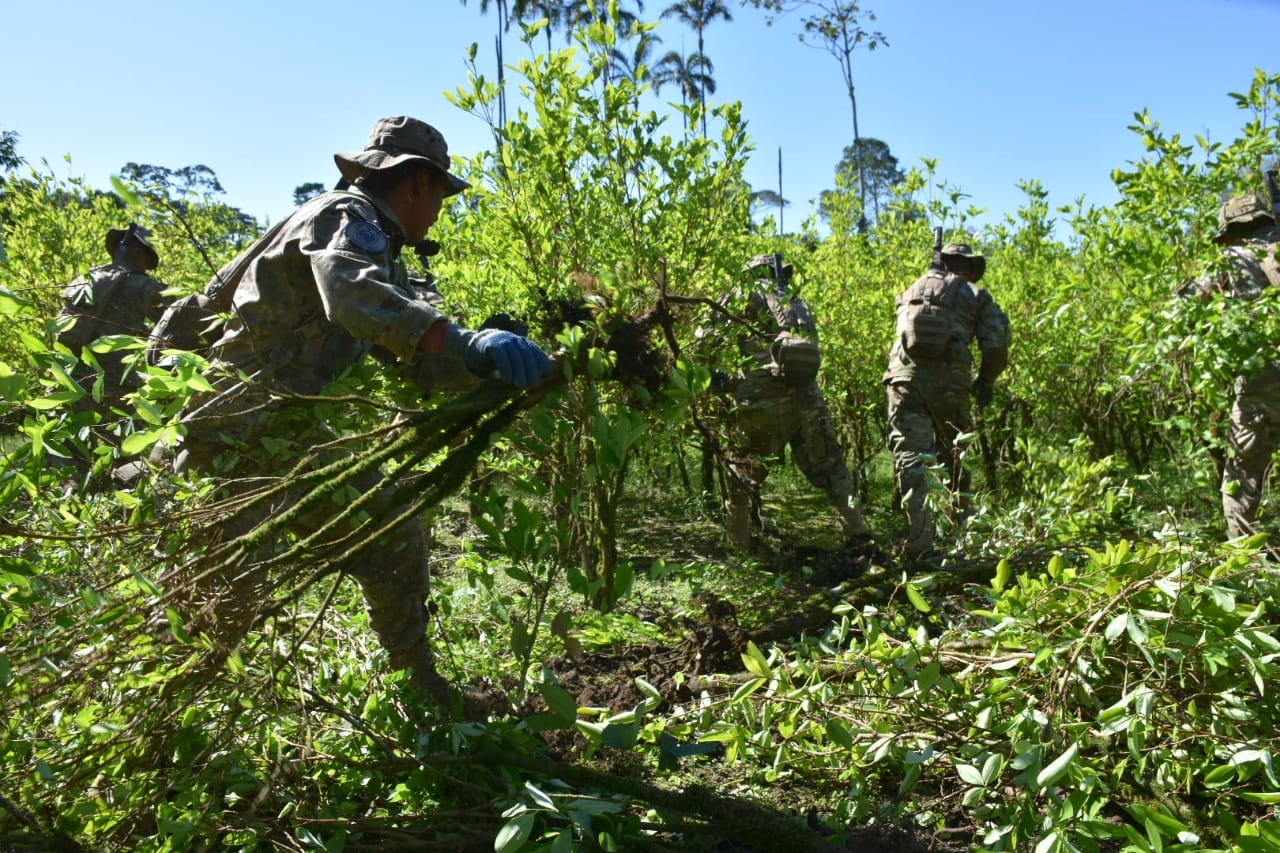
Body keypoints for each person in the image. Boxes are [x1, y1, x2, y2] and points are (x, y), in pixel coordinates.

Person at [155, 116, 553, 717]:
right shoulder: (345, 216)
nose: (441, 211)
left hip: (276, 433)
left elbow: (417, 366)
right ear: (417, 183)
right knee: (217, 596)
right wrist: (462, 339)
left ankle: (419, 694)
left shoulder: (383, 256)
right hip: (236, 429)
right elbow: (351, 295)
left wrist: (487, 361)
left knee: (381, 533)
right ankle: (162, 720)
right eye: (441, 195)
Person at [706, 253, 873, 552]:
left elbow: (705, 341)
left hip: (761, 399)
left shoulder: (740, 295)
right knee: (831, 467)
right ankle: (858, 533)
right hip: (807, 396)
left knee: (743, 472)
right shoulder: (796, 301)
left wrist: (715, 379)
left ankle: (738, 546)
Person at [883, 242, 1010, 562]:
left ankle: (919, 540)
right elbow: (995, 345)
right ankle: (961, 534)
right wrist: (985, 382)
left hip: (903, 383)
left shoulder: (912, 288)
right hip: (950, 385)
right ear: (965, 267)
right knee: (954, 458)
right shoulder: (975, 294)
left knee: (911, 459)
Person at [1191, 193, 1280, 539]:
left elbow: (1183, 306)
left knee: (1241, 479)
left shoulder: (1232, 259)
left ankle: (1245, 569)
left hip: (1261, 387)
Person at [55, 224, 169, 411]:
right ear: (138, 251)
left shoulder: (85, 278)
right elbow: (181, 316)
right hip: (115, 386)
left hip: (71, 379)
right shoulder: (143, 285)